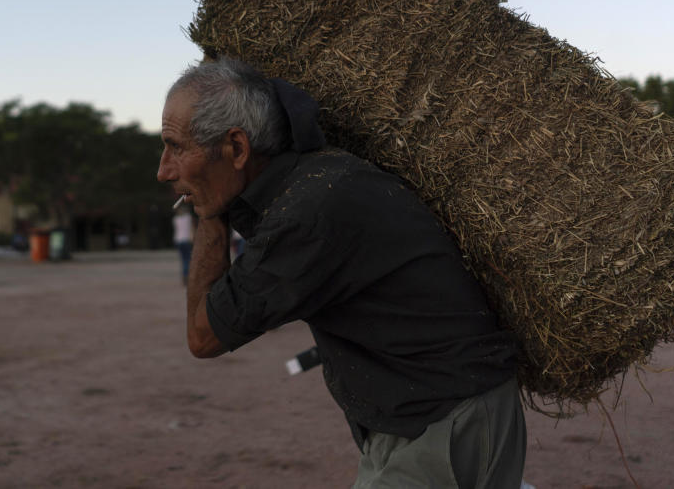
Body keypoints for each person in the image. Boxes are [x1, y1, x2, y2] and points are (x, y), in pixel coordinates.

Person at [156, 57, 526, 487]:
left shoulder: (307, 215)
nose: (163, 169)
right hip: (419, 418)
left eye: (176, 147)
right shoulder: (317, 181)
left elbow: (204, 337)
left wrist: (211, 211)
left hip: (446, 417)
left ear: (237, 148)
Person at [172, 203, 195, 285]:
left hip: (178, 240)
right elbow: (192, 229)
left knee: (183, 259)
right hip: (186, 240)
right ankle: (186, 276)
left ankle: (184, 276)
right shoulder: (188, 217)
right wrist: (192, 238)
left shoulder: (175, 219)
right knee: (187, 259)